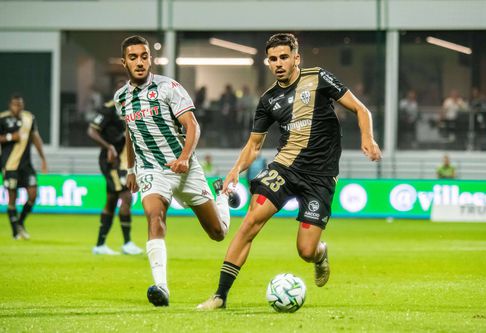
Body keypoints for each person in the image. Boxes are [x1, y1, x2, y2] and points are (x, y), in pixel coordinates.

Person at [197, 33, 382, 310]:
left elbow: (360, 109)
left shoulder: (318, 78)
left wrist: (367, 137)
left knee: (305, 250)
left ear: (297, 58)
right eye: (273, 59)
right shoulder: (268, 100)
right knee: (250, 222)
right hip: (285, 168)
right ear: (268, 62)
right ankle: (220, 296)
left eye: (284, 57)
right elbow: (254, 144)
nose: (278, 63)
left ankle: (320, 255)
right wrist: (236, 169)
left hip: (320, 177)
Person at [115, 35, 239, 307]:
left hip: (184, 169)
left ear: (151, 59)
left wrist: (184, 157)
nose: (139, 62)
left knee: (217, 233)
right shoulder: (121, 98)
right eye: (133, 57)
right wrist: (131, 168)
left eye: (144, 56)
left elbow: (193, 126)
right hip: (151, 170)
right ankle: (161, 287)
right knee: (154, 216)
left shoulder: (169, 87)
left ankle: (222, 196)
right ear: (124, 62)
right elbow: (130, 132)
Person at [87, 100, 143, 255]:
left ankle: (100, 245)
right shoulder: (109, 109)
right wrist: (109, 146)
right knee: (126, 197)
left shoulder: (137, 105)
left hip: (125, 162)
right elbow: (92, 131)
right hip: (113, 162)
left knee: (111, 201)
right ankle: (127, 243)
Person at [0, 94, 48, 239]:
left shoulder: (29, 118)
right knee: (12, 198)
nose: (17, 107)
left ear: (23, 105)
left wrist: (43, 158)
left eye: (20, 104)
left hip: (26, 166)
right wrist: (9, 137)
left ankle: (20, 222)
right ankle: (15, 232)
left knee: (33, 195)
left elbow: (36, 138)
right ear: (10, 105)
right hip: (10, 165)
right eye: (15, 104)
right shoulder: (2, 118)